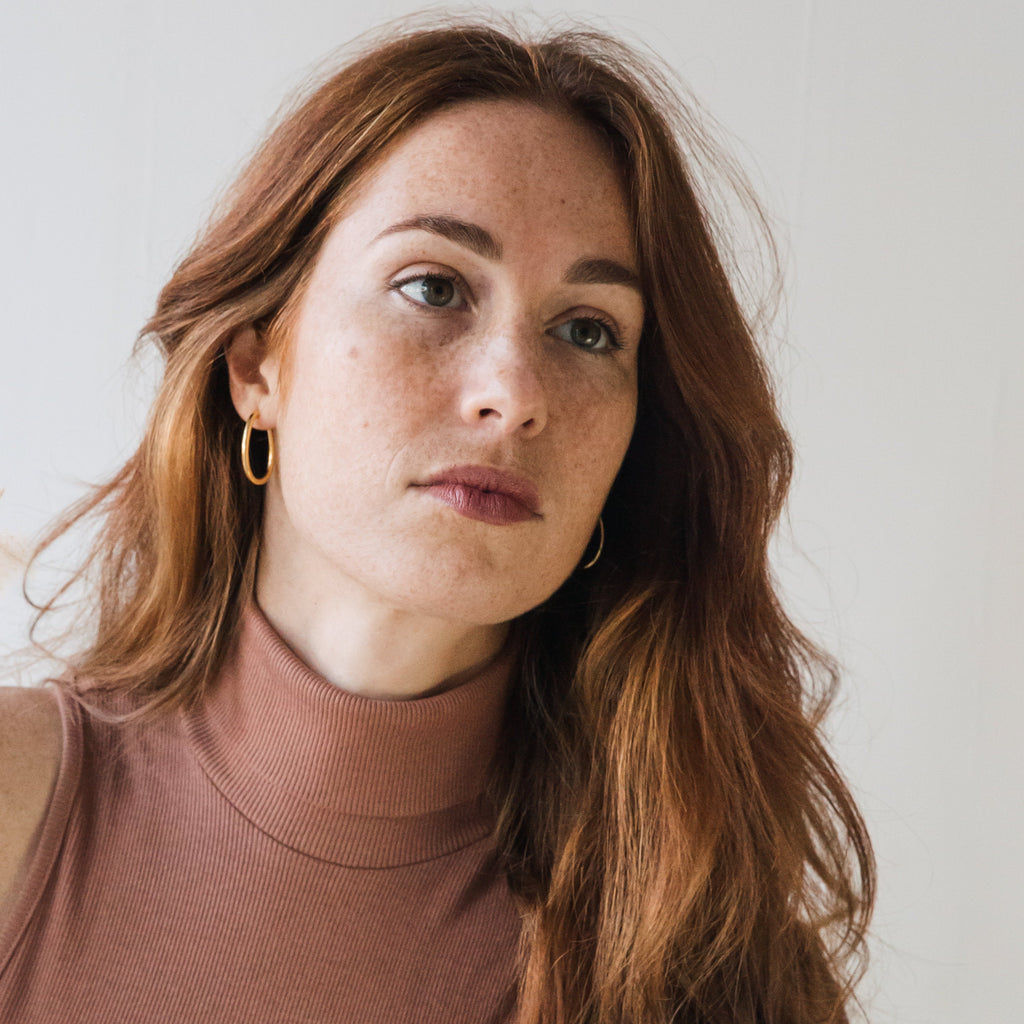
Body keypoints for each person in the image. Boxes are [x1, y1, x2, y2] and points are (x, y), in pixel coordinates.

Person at [0, 17, 875, 1024]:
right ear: (256, 367)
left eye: (587, 331)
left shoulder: (700, 952)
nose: (513, 391)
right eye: (433, 287)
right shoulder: (20, 807)